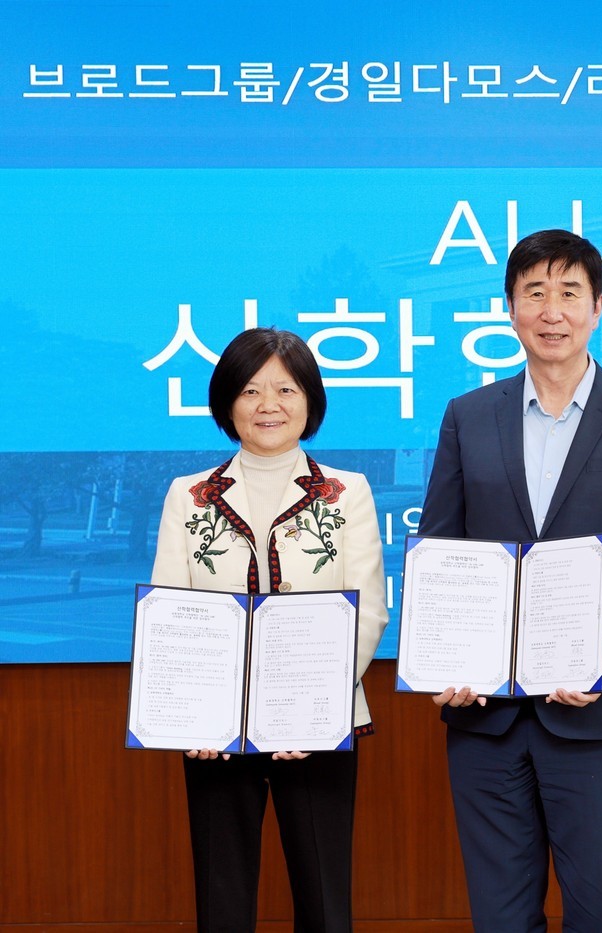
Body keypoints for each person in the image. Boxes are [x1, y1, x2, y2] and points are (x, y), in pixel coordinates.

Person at [419, 229, 602, 932]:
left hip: (594, 708)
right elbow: (441, 548)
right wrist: (449, 656)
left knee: (595, 911)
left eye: (569, 292)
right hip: (484, 712)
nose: (552, 310)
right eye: (534, 292)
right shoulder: (468, 416)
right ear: (509, 307)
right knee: (500, 916)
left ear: (597, 307)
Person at [150, 327, 389, 933]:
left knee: (324, 896)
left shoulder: (347, 492)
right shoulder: (188, 496)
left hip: (320, 723)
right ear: (227, 402)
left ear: (310, 400)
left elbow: (368, 611)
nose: (268, 405)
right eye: (251, 390)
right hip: (213, 728)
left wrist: (307, 709)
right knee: (221, 897)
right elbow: (171, 614)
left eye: (286, 389)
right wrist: (194, 715)